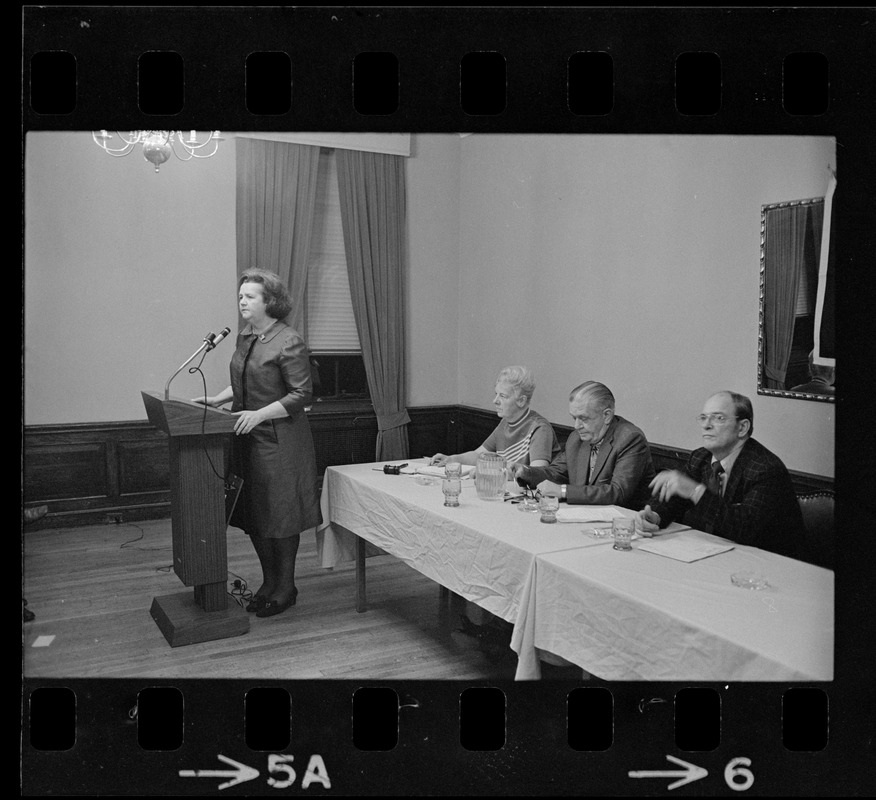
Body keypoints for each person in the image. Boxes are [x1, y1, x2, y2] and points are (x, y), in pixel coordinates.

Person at [195, 269, 321, 618]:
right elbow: (243, 385)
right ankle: (268, 583)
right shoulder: (247, 337)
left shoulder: (288, 340)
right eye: (241, 296)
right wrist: (217, 401)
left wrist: (262, 413)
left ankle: (286, 587)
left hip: (280, 441)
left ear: (271, 301)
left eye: (250, 297)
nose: (243, 302)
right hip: (247, 436)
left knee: (281, 516)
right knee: (255, 514)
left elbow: (301, 394)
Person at [637, 390, 804, 559]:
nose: (706, 425)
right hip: (712, 555)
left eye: (718, 418)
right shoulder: (700, 458)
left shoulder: (765, 468)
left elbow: (745, 529)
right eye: (703, 418)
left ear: (742, 427)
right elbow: (673, 501)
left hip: (767, 566)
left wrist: (695, 491)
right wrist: (654, 517)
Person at [513, 381, 655, 509]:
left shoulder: (630, 439)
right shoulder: (577, 439)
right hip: (584, 515)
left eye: (583, 418)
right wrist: (525, 471)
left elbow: (617, 493)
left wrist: (562, 491)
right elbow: (556, 473)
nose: (576, 426)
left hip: (628, 523)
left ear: (607, 415)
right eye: (574, 418)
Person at [429, 365, 560, 469]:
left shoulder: (540, 428)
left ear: (521, 401)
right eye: (496, 394)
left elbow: (538, 473)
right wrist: (451, 459)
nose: (495, 401)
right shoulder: (505, 423)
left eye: (503, 396)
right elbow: (478, 455)